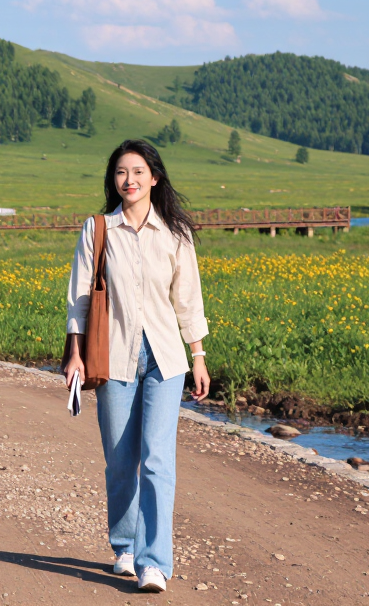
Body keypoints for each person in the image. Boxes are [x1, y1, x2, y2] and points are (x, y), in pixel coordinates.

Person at [62, 139, 210, 593]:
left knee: (158, 459)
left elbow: (188, 299)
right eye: (122, 172)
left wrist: (198, 356)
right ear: (114, 180)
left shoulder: (175, 233)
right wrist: (74, 353)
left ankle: (154, 563)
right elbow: (80, 297)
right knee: (120, 461)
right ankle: (125, 547)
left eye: (139, 172)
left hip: (166, 359)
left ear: (155, 178)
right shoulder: (99, 230)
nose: (130, 180)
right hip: (113, 358)